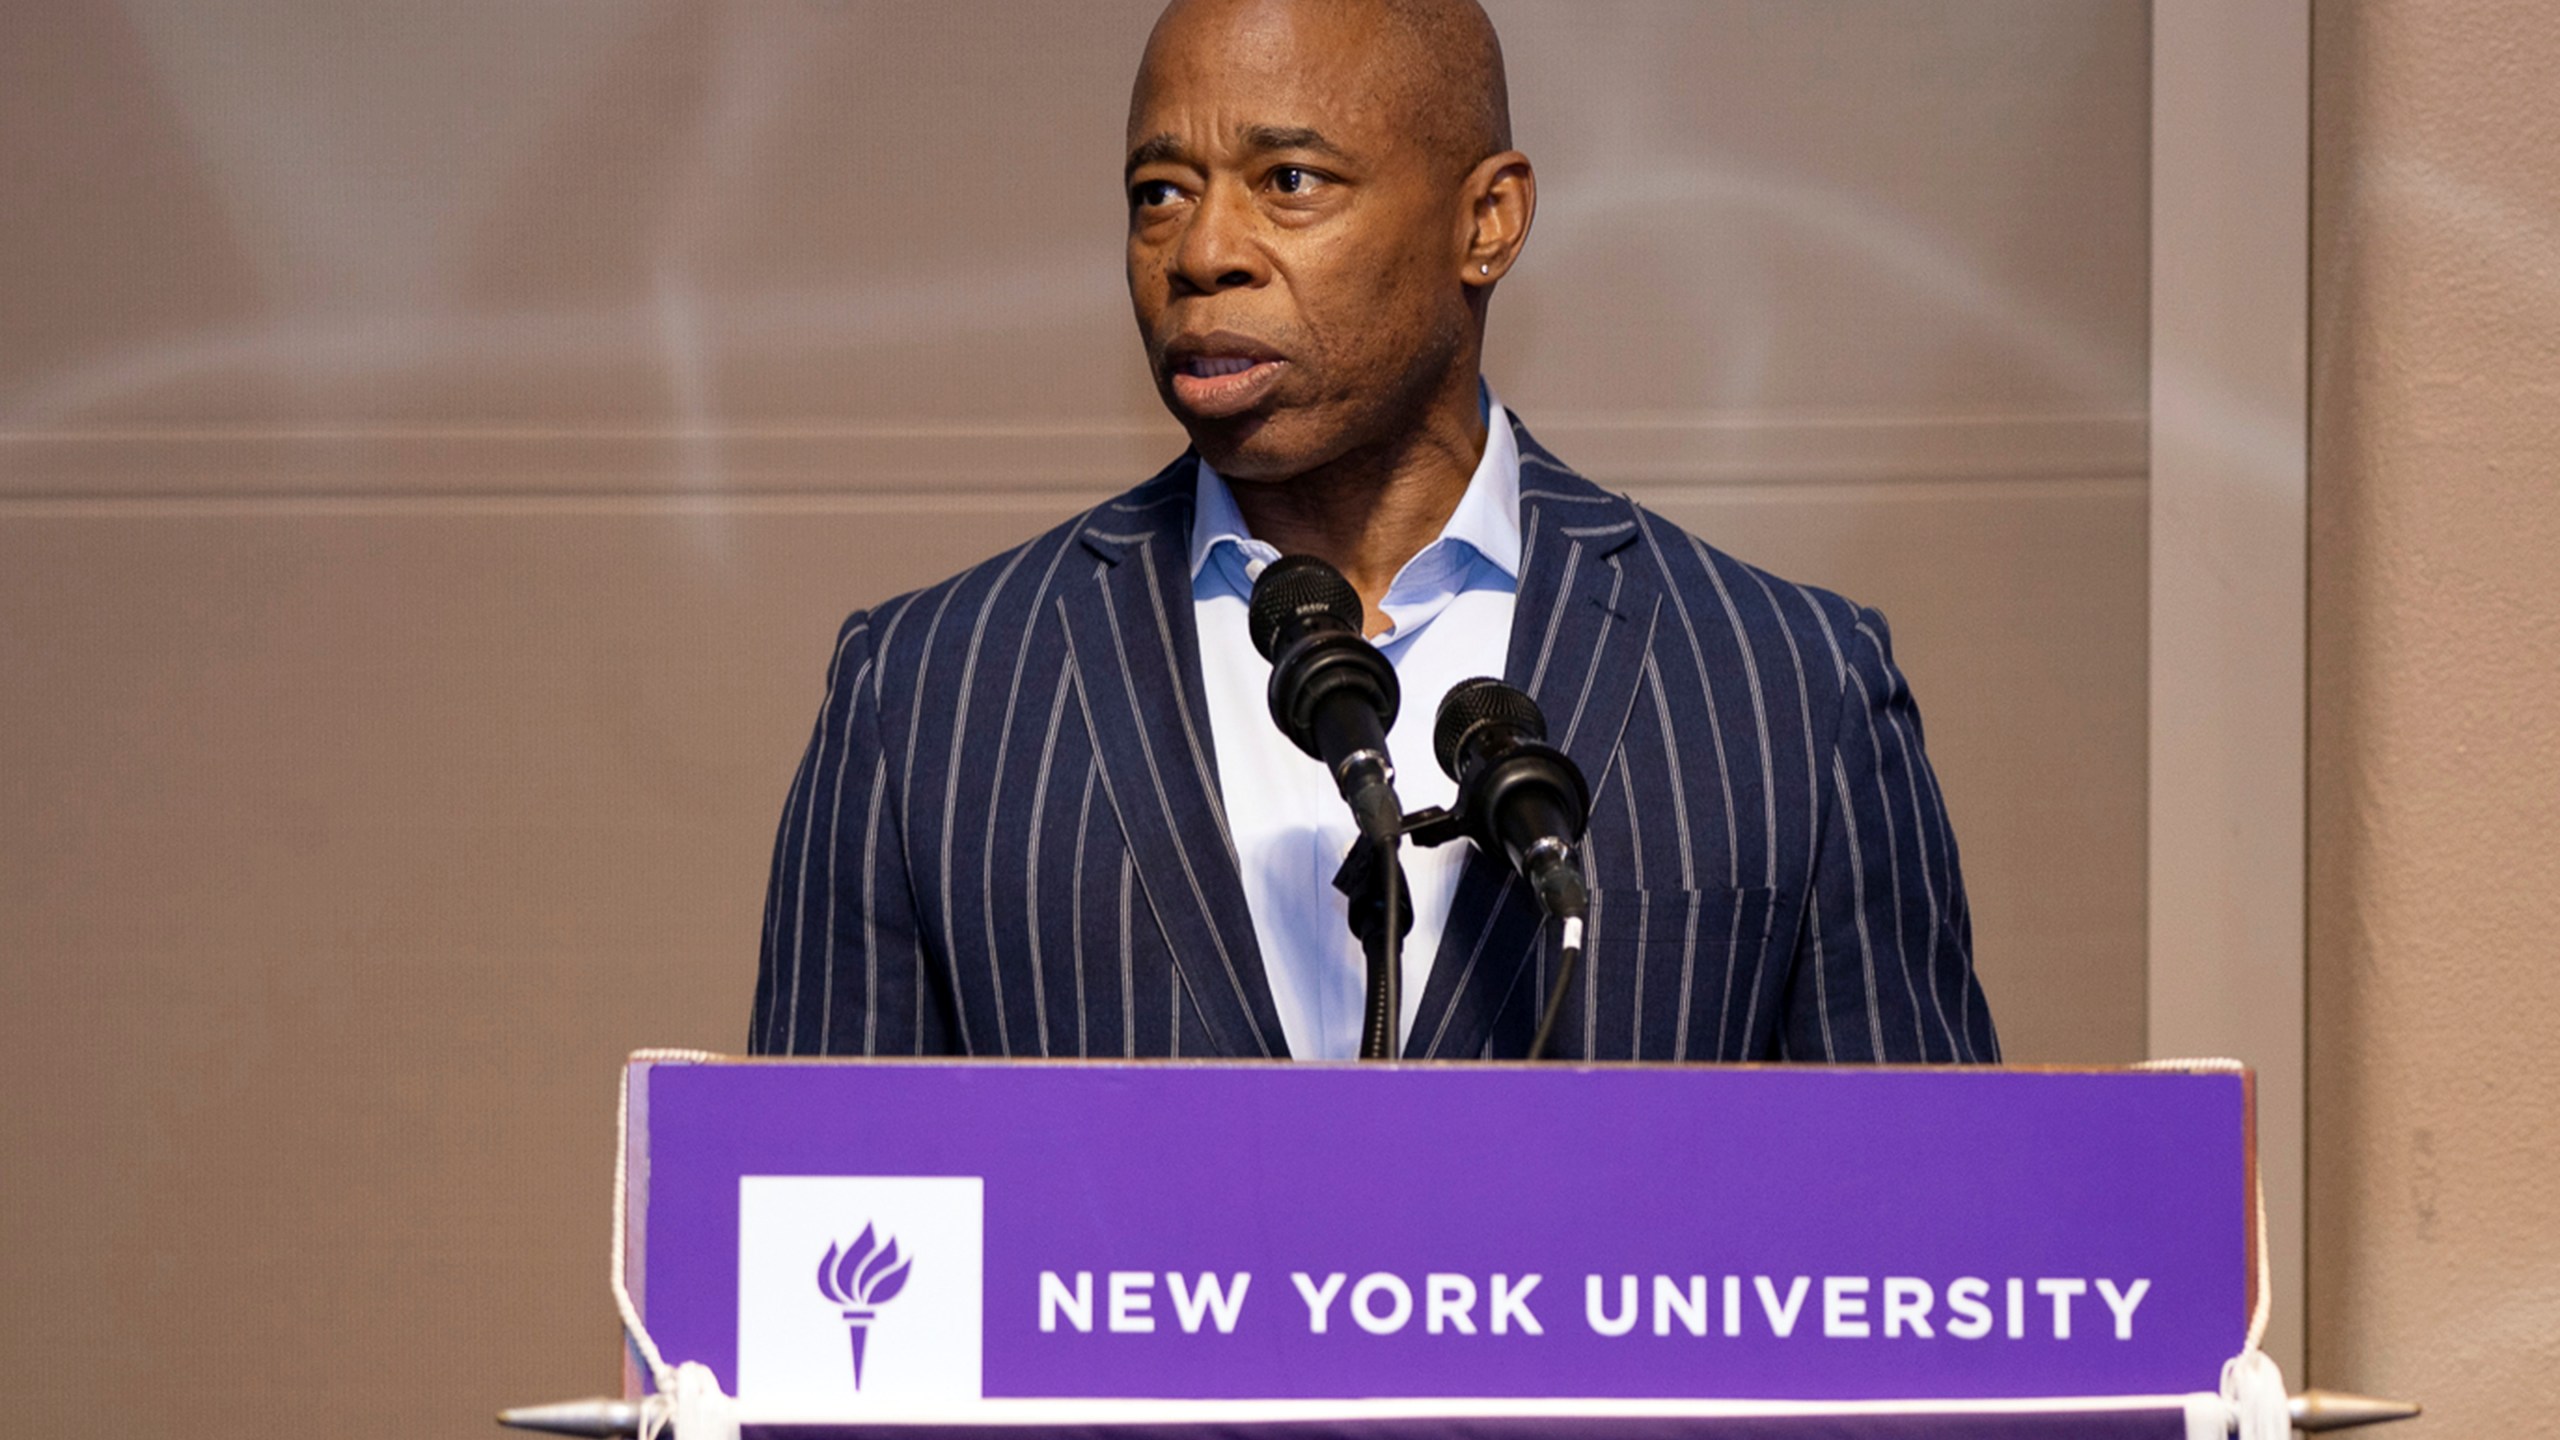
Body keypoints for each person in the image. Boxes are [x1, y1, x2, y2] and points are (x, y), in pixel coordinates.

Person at [751, 0, 1997, 1064]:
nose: (1201, 252)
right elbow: (791, 1246)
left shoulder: (1787, 686)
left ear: (1486, 222)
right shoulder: (927, 698)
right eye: (1158, 191)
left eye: (1289, 181)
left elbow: (1938, 1245)